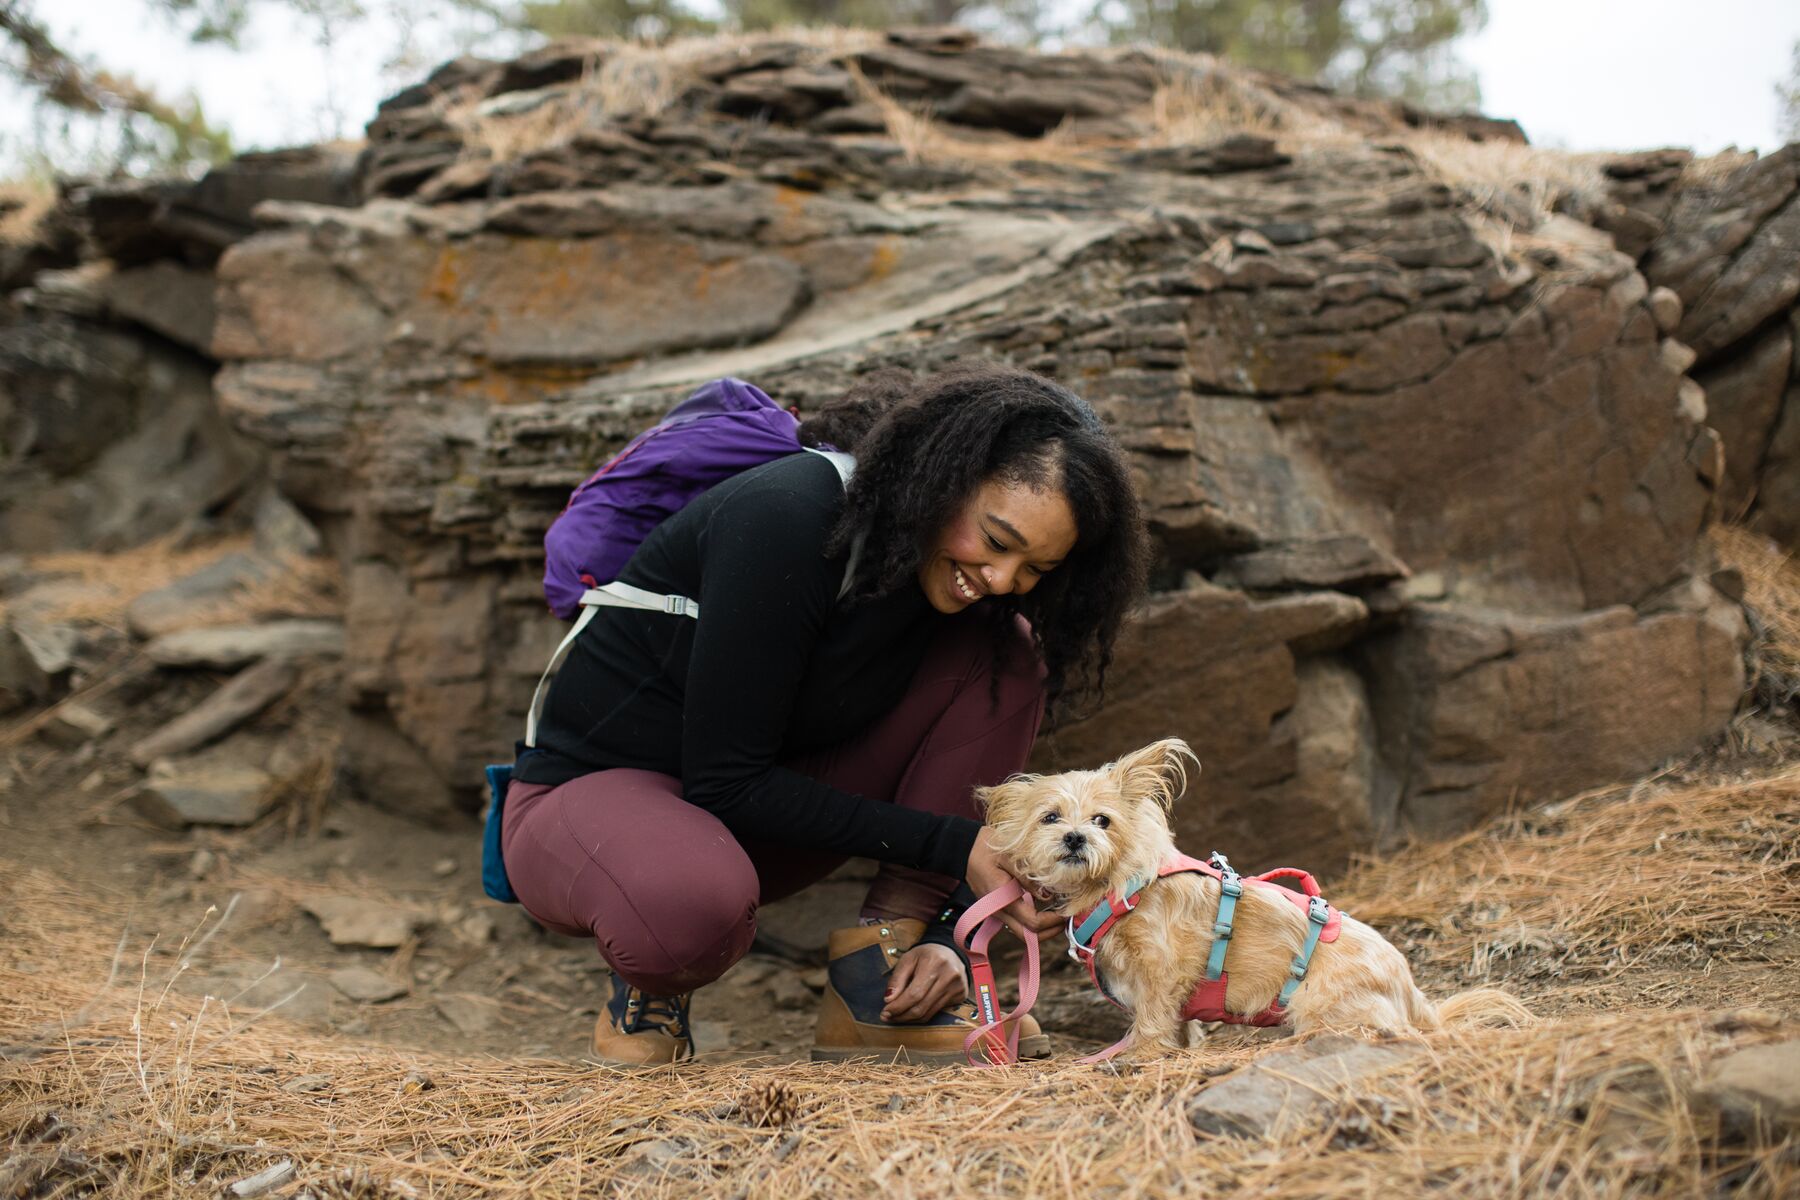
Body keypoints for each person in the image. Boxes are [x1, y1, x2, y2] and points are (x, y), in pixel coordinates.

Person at [502, 362, 1150, 1064]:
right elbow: (727, 782)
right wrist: (958, 849)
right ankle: (647, 979)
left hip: (744, 814)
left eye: (1035, 570)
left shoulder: (944, 589)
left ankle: (885, 974)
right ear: (944, 476)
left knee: (1006, 656)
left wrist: (945, 930)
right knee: (685, 911)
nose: (1001, 581)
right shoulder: (787, 515)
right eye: (996, 542)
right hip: (586, 805)